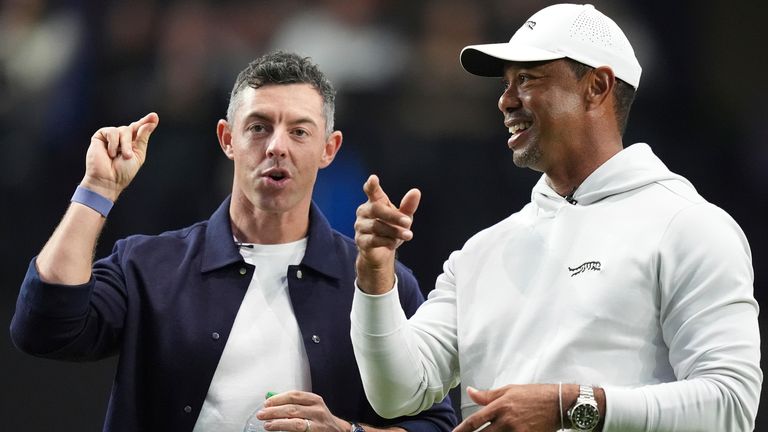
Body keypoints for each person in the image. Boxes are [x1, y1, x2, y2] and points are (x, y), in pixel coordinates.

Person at [350, 4, 761, 432]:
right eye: (506, 83)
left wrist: (573, 407)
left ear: (597, 86)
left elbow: (730, 405)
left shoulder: (688, 226)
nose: (505, 100)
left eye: (527, 79)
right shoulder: (482, 251)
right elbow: (395, 393)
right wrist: (376, 276)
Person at [10, 51, 456, 432]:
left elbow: (435, 423)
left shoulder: (379, 284)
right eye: (259, 127)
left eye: (299, 131)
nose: (277, 146)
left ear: (328, 148)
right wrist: (97, 190)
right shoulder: (148, 265)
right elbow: (44, 328)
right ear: (228, 139)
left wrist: (348, 430)